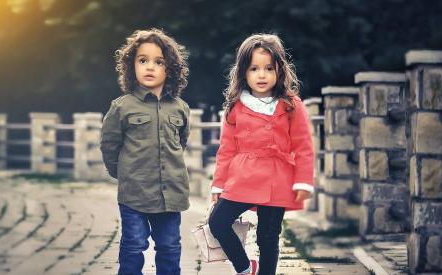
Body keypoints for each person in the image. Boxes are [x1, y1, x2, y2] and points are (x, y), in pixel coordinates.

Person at [208, 33, 315, 275]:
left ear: (280, 69)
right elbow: (226, 149)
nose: (262, 74)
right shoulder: (236, 105)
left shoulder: (291, 104)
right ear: (243, 71)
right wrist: (219, 185)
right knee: (218, 222)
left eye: (268, 68)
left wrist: (303, 180)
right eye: (254, 68)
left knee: (268, 237)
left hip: (277, 177)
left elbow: (303, 145)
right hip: (242, 176)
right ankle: (245, 268)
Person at [100, 28, 190, 275]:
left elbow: (180, 143)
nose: (150, 67)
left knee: (170, 246)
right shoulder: (122, 107)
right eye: (143, 60)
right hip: (134, 194)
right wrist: (125, 174)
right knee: (133, 246)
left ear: (170, 69)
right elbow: (109, 145)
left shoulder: (180, 108)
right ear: (132, 66)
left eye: (158, 62)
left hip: (171, 195)